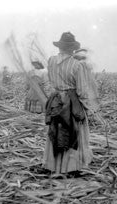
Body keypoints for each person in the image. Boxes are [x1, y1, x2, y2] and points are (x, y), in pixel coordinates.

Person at [44, 32, 97, 175]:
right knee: (74, 132)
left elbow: (50, 79)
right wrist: (87, 107)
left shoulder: (51, 61)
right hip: (71, 101)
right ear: (72, 48)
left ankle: (53, 165)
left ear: (60, 47)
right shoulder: (77, 65)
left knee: (56, 131)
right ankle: (71, 167)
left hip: (56, 100)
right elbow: (82, 91)